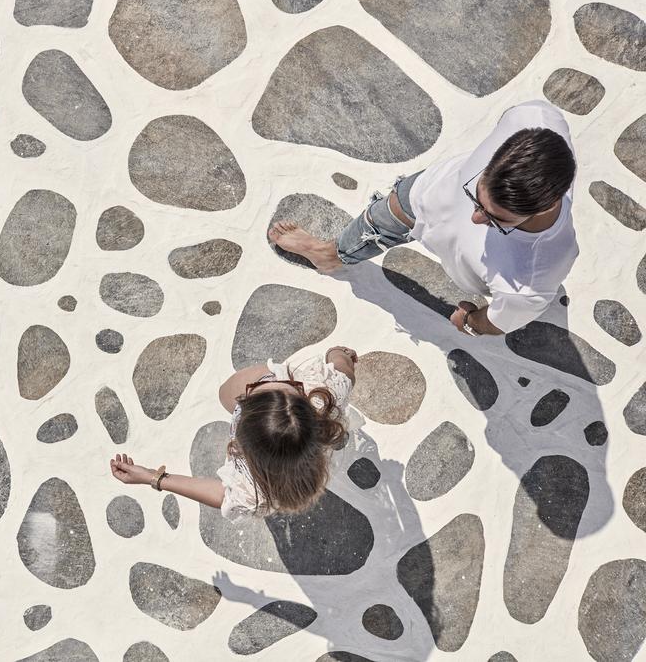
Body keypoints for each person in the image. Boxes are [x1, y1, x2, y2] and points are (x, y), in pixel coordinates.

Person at [268, 100, 578, 337]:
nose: (474, 217)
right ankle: (328, 255)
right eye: (474, 196)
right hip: (422, 195)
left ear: (545, 206)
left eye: (495, 220)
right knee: (378, 219)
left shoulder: (529, 279)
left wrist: (469, 322)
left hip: (464, 262)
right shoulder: (535, 118)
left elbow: (497, 322)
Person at [109, 346, 363, 520]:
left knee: (225, 392)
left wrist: (153, 478)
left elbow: (221, 495)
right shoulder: (326, 393)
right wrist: (338, 353)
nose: (275, 378)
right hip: (313, 422)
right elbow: (345, 371)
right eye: (286, 385)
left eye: (253, 393)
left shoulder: (253, 488)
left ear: (241, 441)